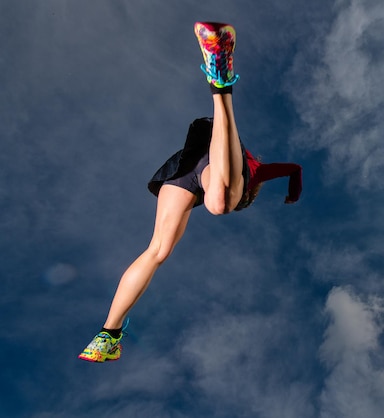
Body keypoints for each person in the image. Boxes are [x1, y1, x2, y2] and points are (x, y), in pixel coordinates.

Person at [78, 22, 302, 362]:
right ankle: (221, 85)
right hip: (216, 152)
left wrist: (293, 191)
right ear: (249, 191)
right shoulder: (253, 174)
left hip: (184, 172)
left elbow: (296, 171)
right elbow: (291, 170)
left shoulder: (228, 184)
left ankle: (109, 333)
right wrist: (291, 192)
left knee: (158, 249)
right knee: (219, 205)